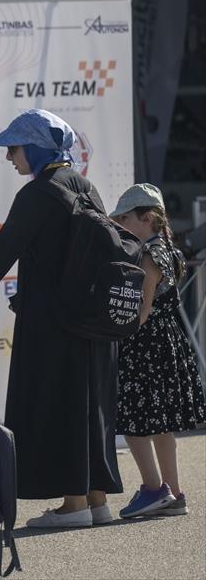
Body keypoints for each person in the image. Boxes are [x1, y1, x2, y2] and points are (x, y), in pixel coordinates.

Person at [0, 108, 123, 528]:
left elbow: (1, 254)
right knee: (89, 404)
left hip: (54, 324)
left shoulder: (38, 193)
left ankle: (73, 506)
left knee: (57, 404)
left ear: (34, 147)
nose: (8, 157)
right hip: (93, 323)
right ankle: (96, 499)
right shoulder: (85, 187)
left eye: (14, 147)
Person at [110, 183, 206, 518]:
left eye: (126, 218)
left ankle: (153, 489)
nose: (121, 224)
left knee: (134, 422)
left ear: (147, 217)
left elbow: (143, 309)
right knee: (163, 424)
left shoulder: (148, 256)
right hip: (169, 342)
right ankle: (174, 492)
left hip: (145, 343)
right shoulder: (172, 250)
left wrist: (116, 333)